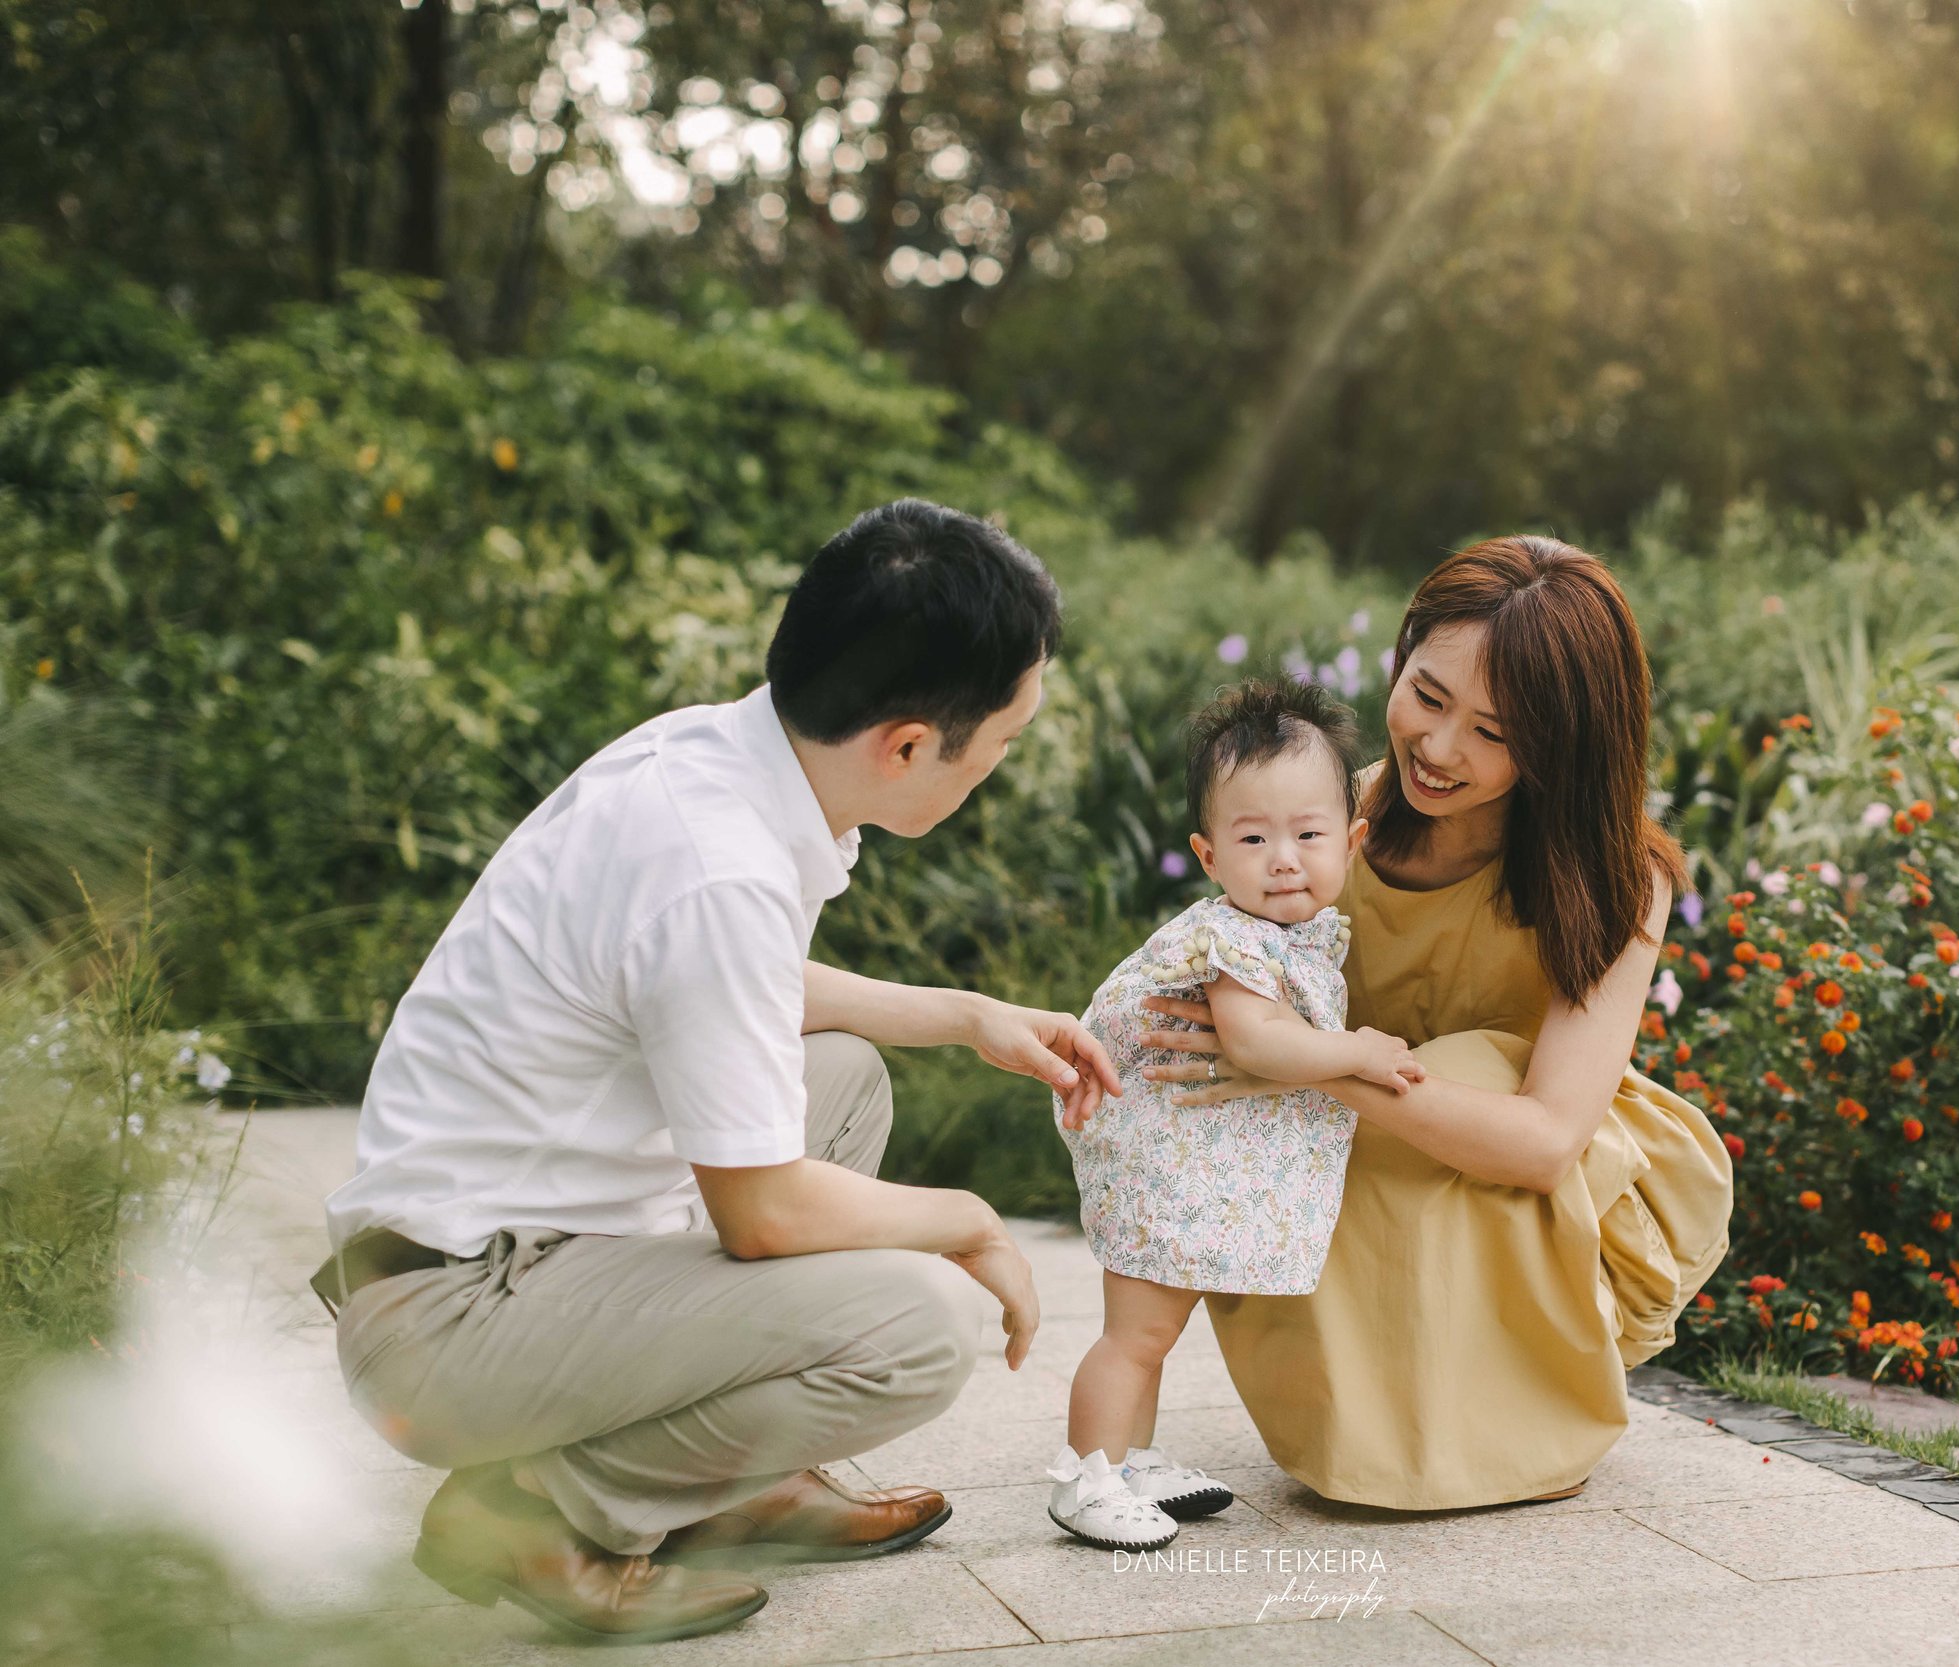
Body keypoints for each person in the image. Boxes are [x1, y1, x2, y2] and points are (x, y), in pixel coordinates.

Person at [313, 499, 1123, 1644]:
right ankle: (536, 1507)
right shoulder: (719, 864)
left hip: (507, 1254)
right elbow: (763, 1212)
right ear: (905, 744)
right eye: (1002, 742)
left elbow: (731, 989)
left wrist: (967, 1013)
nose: (998, 763)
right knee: (921, 1325)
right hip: (449, 1323)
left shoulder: (717, 759)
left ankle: (724, 1483)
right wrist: (972, 1221)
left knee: (842, 1079)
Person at [1140, 536, 1735, 1510]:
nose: (1441, 746)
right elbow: (1223, 995)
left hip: (1534, 1185)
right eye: (1427, 695)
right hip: (1353, 1171)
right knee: (1378, 1104)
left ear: (1567, 741)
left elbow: (1545, 1141)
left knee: (1468, 1063)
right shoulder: (1326, 822)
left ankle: (1514, 1409)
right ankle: (1374, 1421)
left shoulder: (1620, 877)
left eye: (1494, 731)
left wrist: (1304, 1065)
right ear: (1401, 656)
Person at [1040, 680, 1422, 1551]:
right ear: (1210, 855)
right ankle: (1085, 1477)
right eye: (1254, 837)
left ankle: (1126, 1462)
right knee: (1135, 1334)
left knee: (1153, 1330)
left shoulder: (1291, 933)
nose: (1284, 858)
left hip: (1168, 1149)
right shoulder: (1235, 939)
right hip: (1155, 1154)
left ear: (1353, 842)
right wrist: (1361, 1050)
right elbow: (1257, 1044)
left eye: (1309, 834)